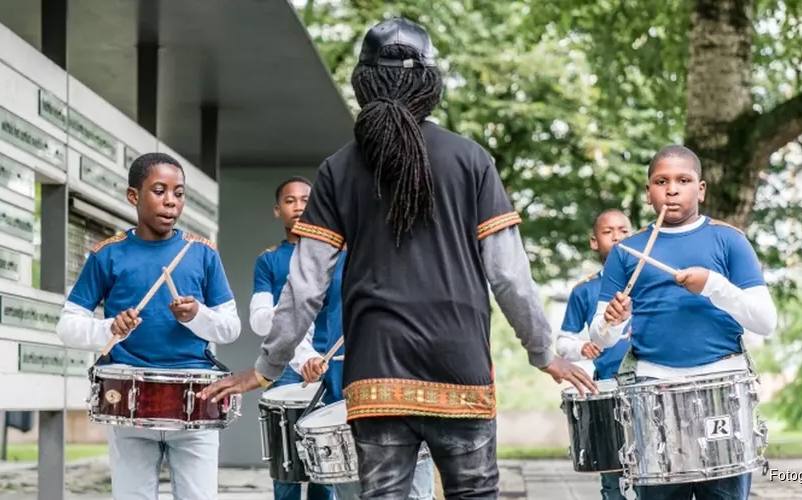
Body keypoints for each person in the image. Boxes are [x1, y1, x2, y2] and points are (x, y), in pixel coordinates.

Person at [199, 17, 595, 500]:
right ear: (429, 83)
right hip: (460, 369)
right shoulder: (471, 160)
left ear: (363, 82)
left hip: (375, 374)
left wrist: (266, 366)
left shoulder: (338, 169)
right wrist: (542, 352)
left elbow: (305, 286)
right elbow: (510, 276)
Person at [589, 145, 778, 500]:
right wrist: (612, 322)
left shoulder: (729, 240)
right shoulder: (626, 251)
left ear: (701, 189)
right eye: (661, 181)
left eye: (683, 180)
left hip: (721, 386)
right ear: (649, 192)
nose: (672, 189)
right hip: (653, 388)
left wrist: (714, 285)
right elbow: (600, 336)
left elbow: (766, 321)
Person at [56, 152, 241, 500]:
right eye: (159, 190)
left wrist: (197, 315)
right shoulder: (107, 255)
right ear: (133, 196)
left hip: (195, 396)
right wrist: (110, 327)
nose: (171, 201)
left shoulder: (201, 253)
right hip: (128, 395)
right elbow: (67, 326)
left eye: (179, 192)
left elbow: (231, 328)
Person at [254, 178, 436, 499]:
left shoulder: (411, 254)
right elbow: (301, 320)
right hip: (339, 386)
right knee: (335, 479)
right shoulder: (328, 261)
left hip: (402, 388)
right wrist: (303, 356)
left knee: (414, 489)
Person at [251, 176, 334, 500]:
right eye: (290, 200)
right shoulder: (269, 260)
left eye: (305, 199)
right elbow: (259, 320)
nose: (299, 206)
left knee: (326, 465)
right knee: (285, 465)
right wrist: (290, 311)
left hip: (330, 364)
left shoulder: (337, 255)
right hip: (285, 367)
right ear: (277, 210)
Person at [554, 209, 632, 500]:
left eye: (624, 230)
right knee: (614, 475)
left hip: (654, 385)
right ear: (594, 242)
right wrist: (581, 348)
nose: (617, 237)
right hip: (609, 388)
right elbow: (563, 343)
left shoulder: (655, 282)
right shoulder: (584, 291)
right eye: (608, 232)